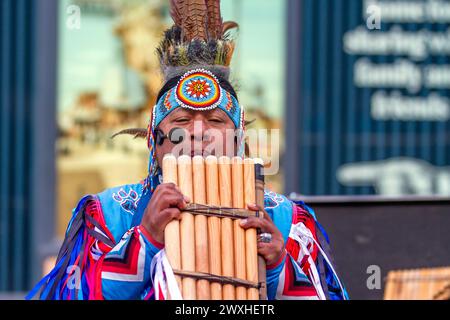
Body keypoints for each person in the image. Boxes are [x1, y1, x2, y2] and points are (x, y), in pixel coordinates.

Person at [28, 0, 348, 300]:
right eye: (181, 120)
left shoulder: (286, 220)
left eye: (215, 120)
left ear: (238, 141)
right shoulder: (109, 214)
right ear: (155, 144)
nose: (198, 133)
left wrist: (280, 266)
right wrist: (145, 241)